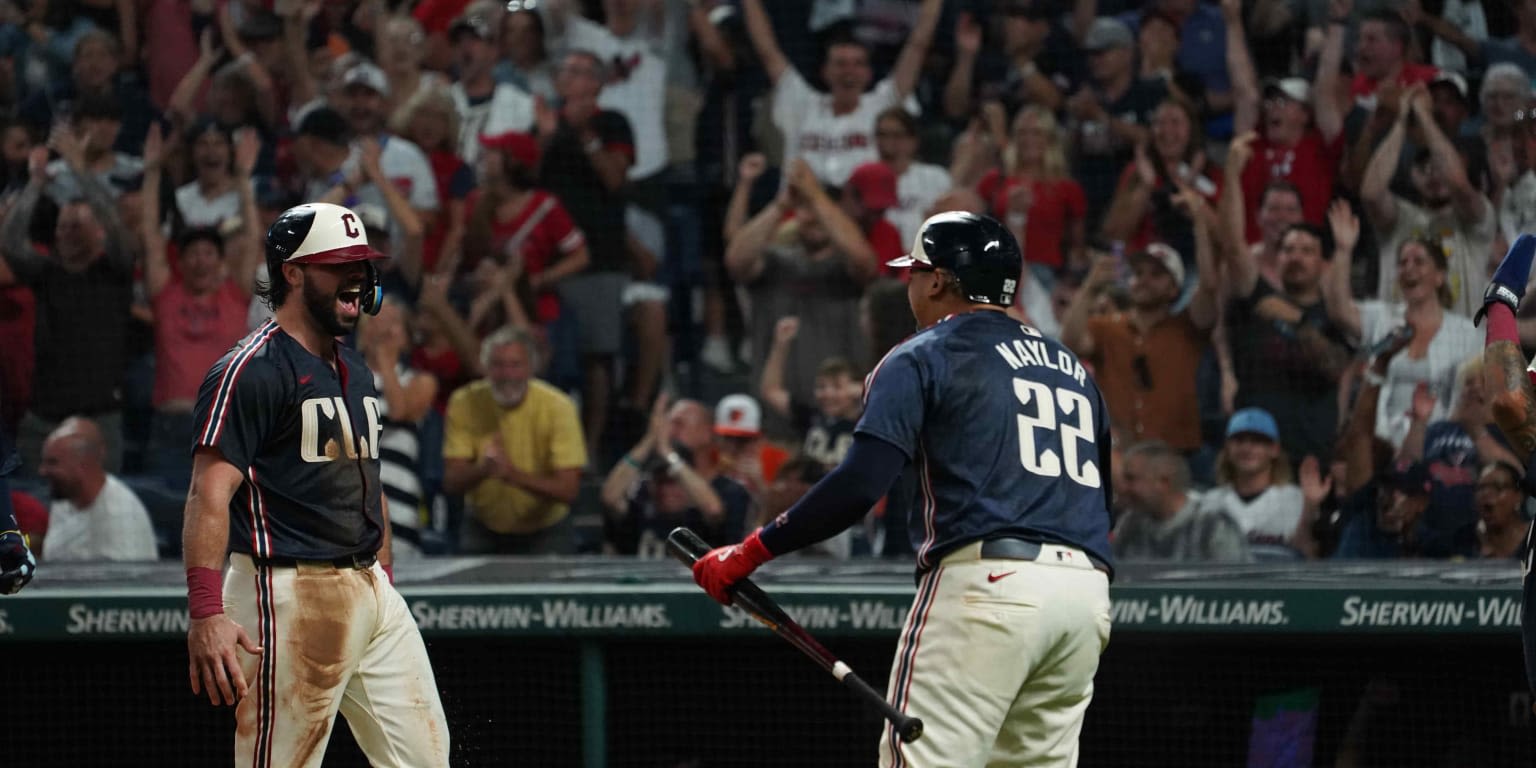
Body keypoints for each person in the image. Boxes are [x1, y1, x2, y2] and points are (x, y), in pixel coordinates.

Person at [691, 212, 1115, 765]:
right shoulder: (1072, 369)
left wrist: (750, 552)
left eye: (915, 271)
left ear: (937, 279)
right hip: (1085, 598)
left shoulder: (925, 352)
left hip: (988, 586)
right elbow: (1101, 499)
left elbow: (861, 483)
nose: (909, 283)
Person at [182, 202, 449, 766]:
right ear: (293, 273)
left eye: (362, 264)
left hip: (370, 587)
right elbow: (208, 494)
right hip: (287, 590)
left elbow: (366, 484)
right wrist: (206, 612)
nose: (358, 277)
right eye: (339, 265)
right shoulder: (250, 367)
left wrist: (384, 578)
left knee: (426, 759)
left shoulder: (355, 368)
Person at [441, 325, 588, 554]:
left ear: (531, 368)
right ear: (486, 368)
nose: (507, 375)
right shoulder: (464, 402)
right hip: (482, 526)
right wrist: (484, 469)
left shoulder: (559, 407)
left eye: (515, 365)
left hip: (547, 530)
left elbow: (569, 490)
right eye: (498, 365)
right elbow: (451, 481)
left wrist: (511, 475)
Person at [1112, 440, 1253, 562]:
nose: (1123, 487)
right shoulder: (1130, 524)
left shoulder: (1212, 523)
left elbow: (1236, 585)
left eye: (1131, 479)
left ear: (1163, 482)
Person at [38, 416, 156, 562]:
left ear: (82, 465)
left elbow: (127, 583)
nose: (42, 471)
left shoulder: (121, 519)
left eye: (53, 463)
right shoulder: (64, 498)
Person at [1198, 408, 1305, 557]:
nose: (1247, 448)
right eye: (1239, 440)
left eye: (1257, 441)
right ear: (1228, 448)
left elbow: (1305, 556)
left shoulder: (1293, 498)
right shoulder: (1210, 501)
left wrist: (1311, 506)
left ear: (1274, 449)